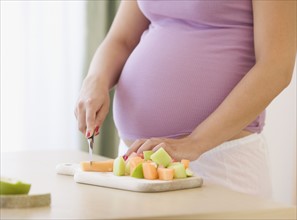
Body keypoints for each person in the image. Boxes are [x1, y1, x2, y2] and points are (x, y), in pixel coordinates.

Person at [75, 0, 296, 198]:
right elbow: (121, 39)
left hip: (218, 161)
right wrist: (96, 79)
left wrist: (194, 143)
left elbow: (275, 67)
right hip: (135, 162)